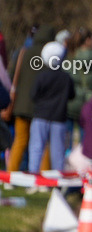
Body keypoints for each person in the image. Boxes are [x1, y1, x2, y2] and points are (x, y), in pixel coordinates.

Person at [6, 25, 55, 171]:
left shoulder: (24, 53)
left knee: (20, 140)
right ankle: (45, 174)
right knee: (43, 143)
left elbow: (12, 75)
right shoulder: (48, 56)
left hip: (21, 105)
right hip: (40, 108)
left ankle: (10, 173)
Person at [28, 42, 75, 174]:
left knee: (36, 148)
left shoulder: (41, 76)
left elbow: (33, 95)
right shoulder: (66, 77)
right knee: (58, 151)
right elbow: (72, 95)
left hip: (41, 116)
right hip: (59, 118)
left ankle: (33, 176)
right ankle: (57, 179)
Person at [66, 28, 92, 151]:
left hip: (71, 99)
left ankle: (66, 157)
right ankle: (83, 157)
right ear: (88, 40)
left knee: (67, 136)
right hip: (87, 100)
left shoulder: (70, 55)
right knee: (85, 135)